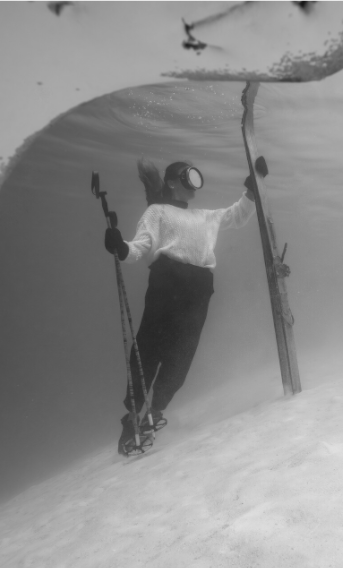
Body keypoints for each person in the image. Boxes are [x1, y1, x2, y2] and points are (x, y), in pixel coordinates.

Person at [104, 158, 256, 455]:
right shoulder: (157, 212)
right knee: (149, 349)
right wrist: (120, 247)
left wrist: (251, 190)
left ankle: (155, 410)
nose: (194, 185)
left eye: (196, 178)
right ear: (173, 182)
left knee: (181, 356)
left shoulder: (205, 216)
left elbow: (237, 215)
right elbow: (140, 246)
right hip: (167, 283)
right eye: (189, 178)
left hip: (198, 289)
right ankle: (132, 415)